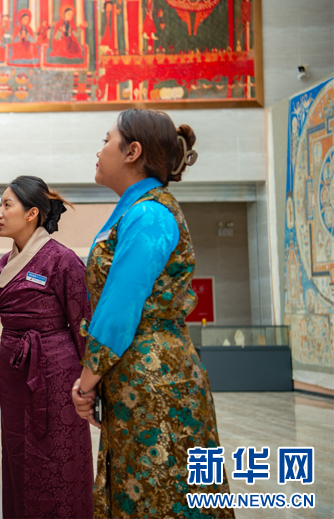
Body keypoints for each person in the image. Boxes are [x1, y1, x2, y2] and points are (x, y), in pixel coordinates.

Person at [71, 109, 234, 518]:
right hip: (137, 374)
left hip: (154, 378)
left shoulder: (150, 214)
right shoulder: (137, 210)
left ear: (133, 152)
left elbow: (119, 306)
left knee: (161, 493)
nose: (99, 150)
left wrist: (86, 383)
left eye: (106, 140)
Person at [0, 176, 93, 519]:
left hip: (55, 371)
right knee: (16, 452)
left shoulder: (63, 260)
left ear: (31, 213)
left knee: (57, 453)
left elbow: (84, 326)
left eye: (7, 205)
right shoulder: (4, 263)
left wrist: (91, 384)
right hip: (13, 368)